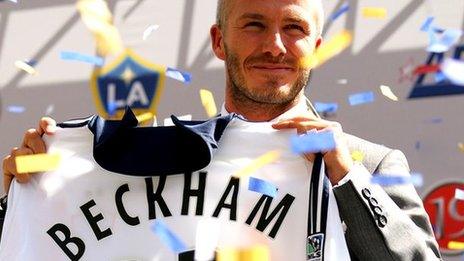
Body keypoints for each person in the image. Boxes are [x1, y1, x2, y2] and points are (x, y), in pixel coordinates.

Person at [2, 0, 441, 260]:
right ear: (218, 41)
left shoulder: (369, 163)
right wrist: (17, 198)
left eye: (294, 28)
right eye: (254, 25)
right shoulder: (157, 157)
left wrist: (346, 178)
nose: (274, 46)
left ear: (316, 50)